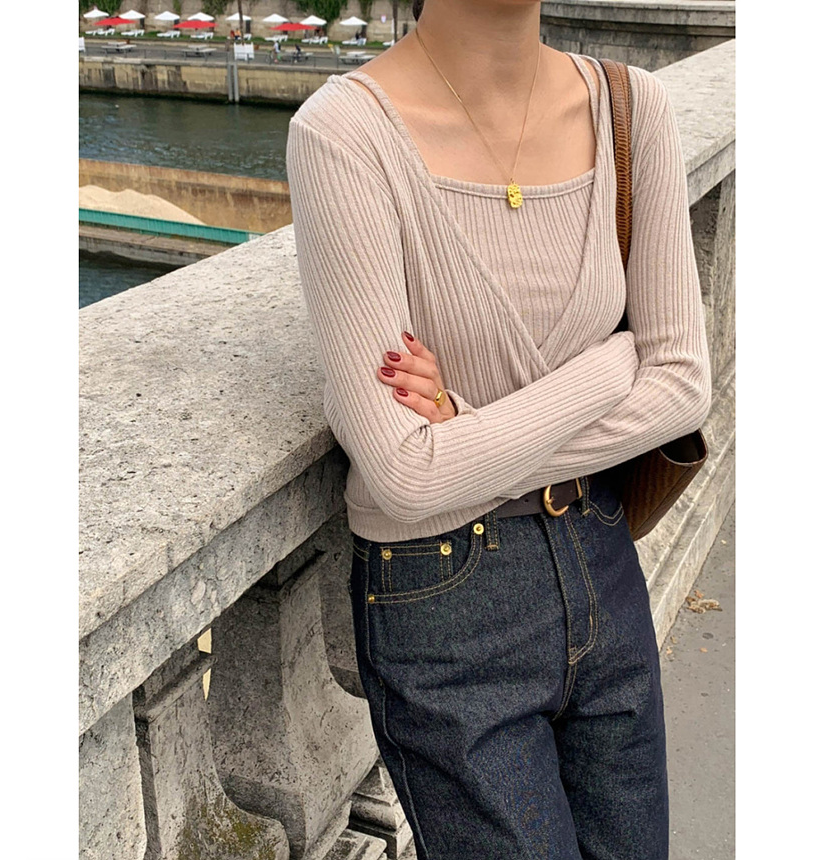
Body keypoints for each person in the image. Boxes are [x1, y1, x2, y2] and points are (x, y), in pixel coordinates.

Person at [285, 0, 711, 857]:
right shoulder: (342, 136)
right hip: (445, 598)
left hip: (599, 549)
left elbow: (682, 386)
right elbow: (408, 474)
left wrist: (468, 429)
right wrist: (609, 365)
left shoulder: (631, 110)